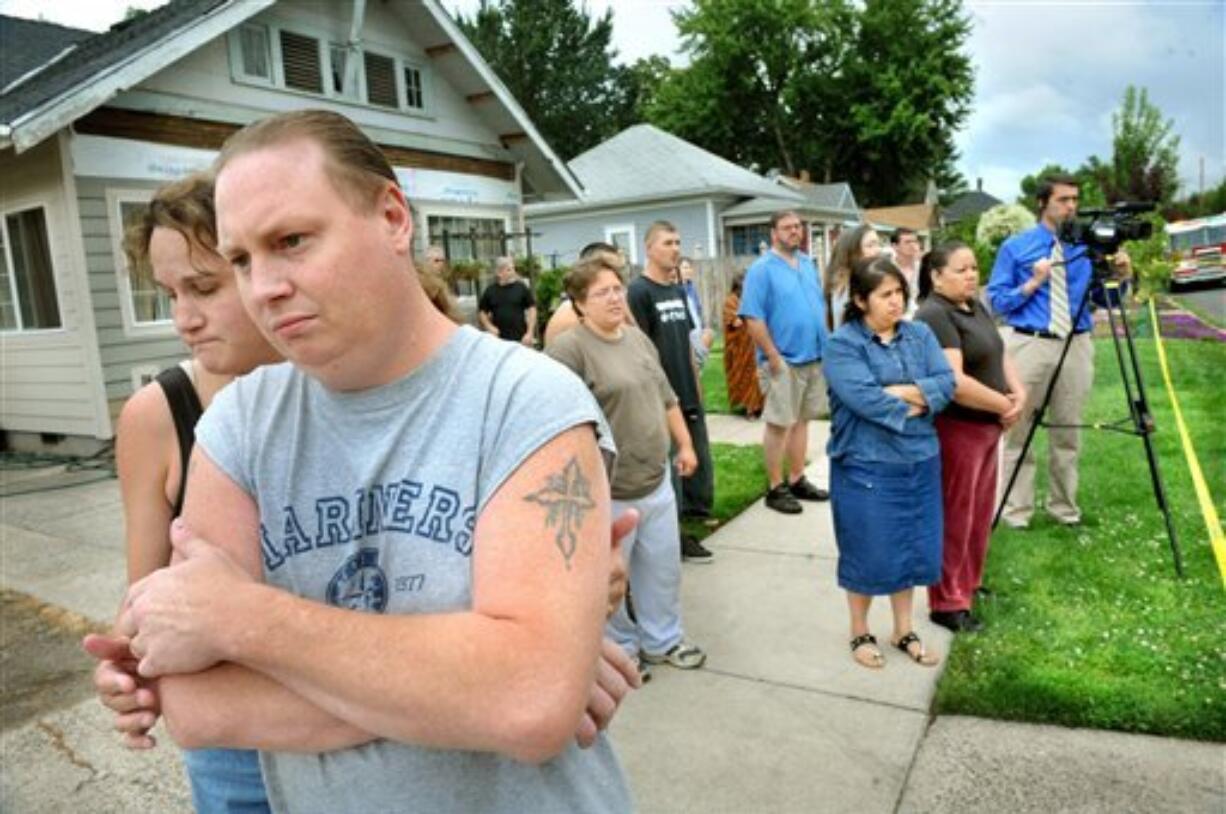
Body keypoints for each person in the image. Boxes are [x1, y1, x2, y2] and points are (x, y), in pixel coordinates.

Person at [97, 110, 635, 813]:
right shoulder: (238, 427)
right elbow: (200, 710)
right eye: (240, 261)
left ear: (391, 217)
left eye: (291, 241)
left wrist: (243, 620)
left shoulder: (525, 401)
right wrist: (494, 677)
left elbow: (528, 702)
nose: (263, 286)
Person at [100, 173, 280, 812]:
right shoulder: (158, 414)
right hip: (234, 746)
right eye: (169, 293)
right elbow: (144, 595)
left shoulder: (339, 388)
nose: (183, 319)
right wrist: (128, 666)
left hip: (365, 713)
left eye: (204, 287)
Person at [547, 255, 708, 679]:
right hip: (608, 490)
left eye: (618, 288)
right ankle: (620, 649)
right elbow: (554, 417)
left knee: (662, 569)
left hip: (656, 480)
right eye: (603, 292)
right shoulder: (569, 350)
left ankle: (664, 640)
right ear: (579, 304)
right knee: (610, 578)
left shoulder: (637, 340)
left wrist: (686, 445)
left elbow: (666, 396)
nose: (616, 298)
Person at [823, 256, 955, 669]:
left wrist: (900, 392)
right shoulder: (843, 344)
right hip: (866, 464)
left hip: (920, 460)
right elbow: (864, 400)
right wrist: (920, 396)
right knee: (867, 548)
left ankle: (902, 629)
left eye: (899, 293)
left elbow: (947, 382)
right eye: (885, 295)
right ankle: (859, 630)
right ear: (861, 300)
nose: (896, 302)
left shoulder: (920, 335)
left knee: (912, 548)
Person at [987, 175, 1131, 528]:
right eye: (1063, 199)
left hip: (1076, 344)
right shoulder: (1015, 247)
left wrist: (1122, 277)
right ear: (1043, 203)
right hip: (1029, 344)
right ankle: (1016, 512)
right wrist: (1033, 283)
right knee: (1017, 430)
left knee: (1068, 432)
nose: (1071, 206)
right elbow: (996, 301)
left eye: (1075, 200)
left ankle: (1063, 509)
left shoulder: (1087, 249)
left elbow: (1104, 300)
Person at [915, 243, 1027, 633]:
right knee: (955, 517)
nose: (971, 275)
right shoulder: (934, 314)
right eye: (961, 269)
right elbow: (955, 383)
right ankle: (945, 602)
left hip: (987, 429)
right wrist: (1003, 405)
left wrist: (1020, 394)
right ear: (936, 275)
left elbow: (1000, 353)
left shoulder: (973, 306)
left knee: (979, 515)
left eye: (974, 268)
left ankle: (969, 585)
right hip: (957, 429)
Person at [627, 221, 715, 563]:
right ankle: (672, 534)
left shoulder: (678, 291)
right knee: (670, 469)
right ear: (649, 249)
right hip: (661, 398)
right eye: (667, 242)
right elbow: (639, 351)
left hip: (686, 388)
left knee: (696, 460)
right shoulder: (639, 292)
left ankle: (693, 512)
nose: (675, 248)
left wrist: (695, 383)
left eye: (678, 242)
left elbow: (688, 344)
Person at [739, 210, 830, 515]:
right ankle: (775, 487)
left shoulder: (807, 263)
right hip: (783, 361)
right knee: (779, 423)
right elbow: (752, 316)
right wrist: (774, 357)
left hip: (812, 357)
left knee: (802, 420)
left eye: (798, 227)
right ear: (773, 234)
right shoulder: (761, 270)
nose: (795, 232)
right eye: (788, 228)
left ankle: (796, 478)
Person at [721, 271, 764, 419]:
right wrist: (742, 317)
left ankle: (758, 406)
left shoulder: (753, 298)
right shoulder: (731, 301)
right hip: (739, 349)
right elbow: (734, 321)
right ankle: (749, 408)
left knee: (757, 376)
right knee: (744, 378)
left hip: (755, 344)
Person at [824, 225, 882, 332]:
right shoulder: (850, 285)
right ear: (852, 252)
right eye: (870, 245)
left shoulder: (847, 282)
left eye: (878, 244)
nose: (878, 250)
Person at [478, 256, 537, 345]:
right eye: (509, 270)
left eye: (513, 269)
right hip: (499, 341)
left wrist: (530, 332)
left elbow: (532, 309)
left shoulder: (521, 287)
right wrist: (489, 327)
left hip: (521, 338)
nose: (513, 272)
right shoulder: (490, 290)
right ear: (499, 273)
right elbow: (482, 312)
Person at [677, 256, 714, 368]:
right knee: (694, 361)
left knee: (709, 334)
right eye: (685, 267)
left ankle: (698, 370)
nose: (688, 270)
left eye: (689, 268)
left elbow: (697, 311)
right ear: (677, 269)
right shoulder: (676, 288)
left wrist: (702, 327)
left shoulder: (691, 287)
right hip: (686, 330)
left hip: (697, 327)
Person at [889, 228, 922, 318]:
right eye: (907, 242)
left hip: (921, 316)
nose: (913, 245)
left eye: (915, 242)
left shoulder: (922, 268)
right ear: (895, 246)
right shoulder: (887, 269)